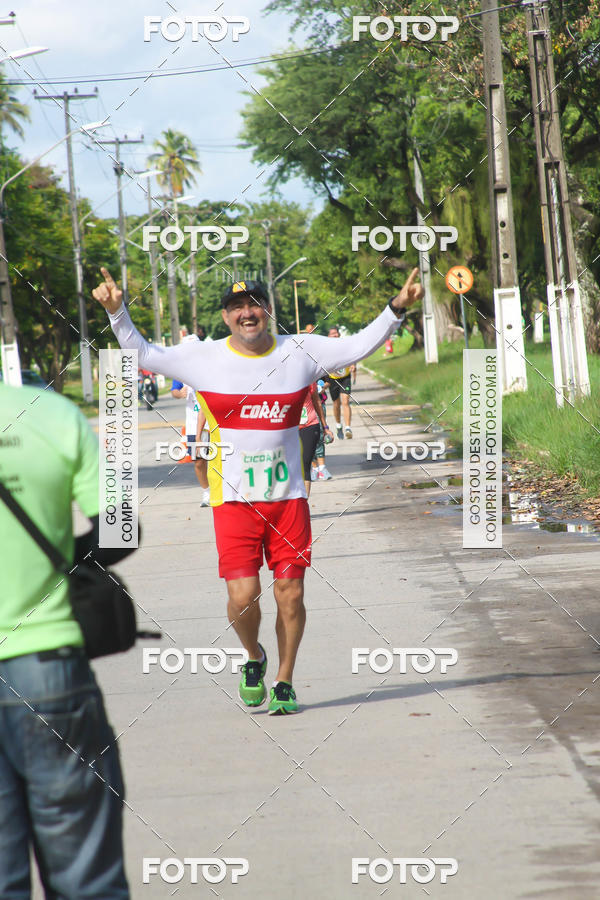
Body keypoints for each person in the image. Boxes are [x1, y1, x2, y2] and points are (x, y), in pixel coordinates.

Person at [93, 270, 423, 714]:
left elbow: (357, 344)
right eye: (237, 307)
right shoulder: (203, 359)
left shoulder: (300, 352)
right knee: (242, 597)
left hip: (288, 500)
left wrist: (396, 306)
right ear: (227, 318)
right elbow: (144, 353)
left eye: (254, 304)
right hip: (233, 503)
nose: (247, 313)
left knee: (292, 594)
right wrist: (117, 312)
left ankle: (285, 679)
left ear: (268, 310)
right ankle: (254, 656)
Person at [0, 382, 132, 898]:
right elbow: (122, 530)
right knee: (86, 880)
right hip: (50, 669)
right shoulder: (50, 413)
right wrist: (61, 558)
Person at [170, 335, 211, 506]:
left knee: (220, 457)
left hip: (213, 422)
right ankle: (207, 493)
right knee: (198, 460)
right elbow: (174, 391)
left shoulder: (210, 367)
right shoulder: (180, 370)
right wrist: (180, 393)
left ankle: (223, 490)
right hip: (194, 423)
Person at [299, 382, 332, 496]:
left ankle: (303, 503)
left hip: (309, 425)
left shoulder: (308, 377)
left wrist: (325, 426)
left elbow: (316, 400)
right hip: (288, 428)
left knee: (304, 464)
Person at [327, 326, 357, 439]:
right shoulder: (326, 348)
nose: (335, 335)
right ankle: (338, 425)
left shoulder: (345, 345)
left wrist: (353, 364)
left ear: (339, 335)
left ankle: (348, 427)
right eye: (332, 334)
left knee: (346, 401)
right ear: (329, 336)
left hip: (345, 376)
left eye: (336, 333)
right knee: (336, 404)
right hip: (333, 378)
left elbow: (352, 355)